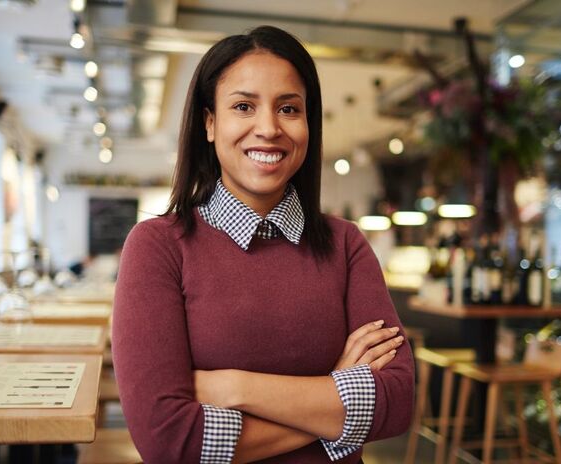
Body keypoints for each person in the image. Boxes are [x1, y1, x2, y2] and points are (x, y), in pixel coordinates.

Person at [112, 25, 413, 464]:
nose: (269, 128)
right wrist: (335, 398)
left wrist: (235, 387)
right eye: (243, 106)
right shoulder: (158, 246)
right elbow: (168, 441)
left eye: (289, 108)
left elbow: (398, 401)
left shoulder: (346, 244)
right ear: (210, 123)